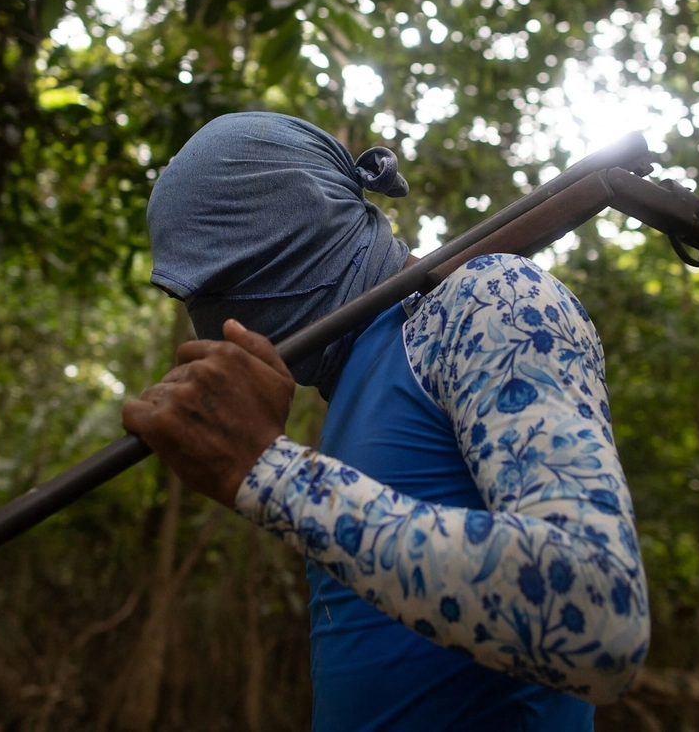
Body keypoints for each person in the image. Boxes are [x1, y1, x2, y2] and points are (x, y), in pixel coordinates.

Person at [123, 112, 648, 731]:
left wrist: (270, 472)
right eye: (191, 303)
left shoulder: (488, 299)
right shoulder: (349, 398)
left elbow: (599, 613)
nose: (206, 322)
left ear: (297, 233)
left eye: (217, 287)